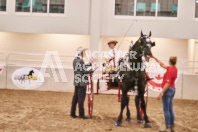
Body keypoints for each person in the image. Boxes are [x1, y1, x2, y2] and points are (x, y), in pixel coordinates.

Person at [70, 47, 98, 119]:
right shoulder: (80, 61)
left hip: (77, 82)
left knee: (75, 98)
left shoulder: (75, 60)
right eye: (84, 53)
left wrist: (90, 63)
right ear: (81, 53)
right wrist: (93, 68)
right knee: (81, 99)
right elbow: (84, 71)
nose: (85, 54)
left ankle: (72, 113)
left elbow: (82, 68)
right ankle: (81, 115)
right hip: (82, 82)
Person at [152, 56, 177, 132]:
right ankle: (172, 127)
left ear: (169, 62)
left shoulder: (169, 71)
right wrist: (154, 57)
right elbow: (162, 64)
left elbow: (167, 83)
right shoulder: (174, 69)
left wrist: (161, 93)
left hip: (168, 90)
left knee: (166, 109)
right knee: (170, 108)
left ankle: (168, 127)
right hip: (173, 89)